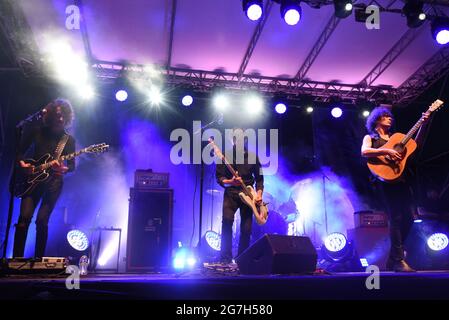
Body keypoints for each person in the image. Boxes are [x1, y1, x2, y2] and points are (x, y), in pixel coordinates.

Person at [361, 107, 430, 272]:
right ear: (376, 120)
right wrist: (386, 150)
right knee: (396, 217)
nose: (389, 118)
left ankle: (393, 258)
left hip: (402, 181)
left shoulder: (397, 137)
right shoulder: (370, 138)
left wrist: (424, 124)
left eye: (389, 116)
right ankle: (399, 260)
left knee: (409, 218)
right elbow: (364, 151)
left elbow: (416, 144)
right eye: (385, 116)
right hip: (384, 182)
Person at [13, 98, 76, 258]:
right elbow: (19, 152)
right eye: (57, 115)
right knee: (23, 219)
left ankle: (39, 261)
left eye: (63, 116)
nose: (60, 118)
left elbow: (72, 166)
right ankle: (16, 261)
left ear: (68, 117)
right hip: (31, 181)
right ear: (51, 115)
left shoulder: (68, 140)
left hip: (53, 183)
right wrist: (22, 165)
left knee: (41, 221)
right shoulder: (38, 131)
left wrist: (63, 168)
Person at [216, 130, 264, 263]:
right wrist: (231, 181)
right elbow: (219, 178)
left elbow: (260, 179)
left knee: (246, 228)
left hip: (248, 195)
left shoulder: (254, 157)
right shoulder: (225, 156)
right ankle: (225, 259)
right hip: (231, 193)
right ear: (233, 140)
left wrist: (259, 194)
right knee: (226, 222)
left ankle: (242, 259)